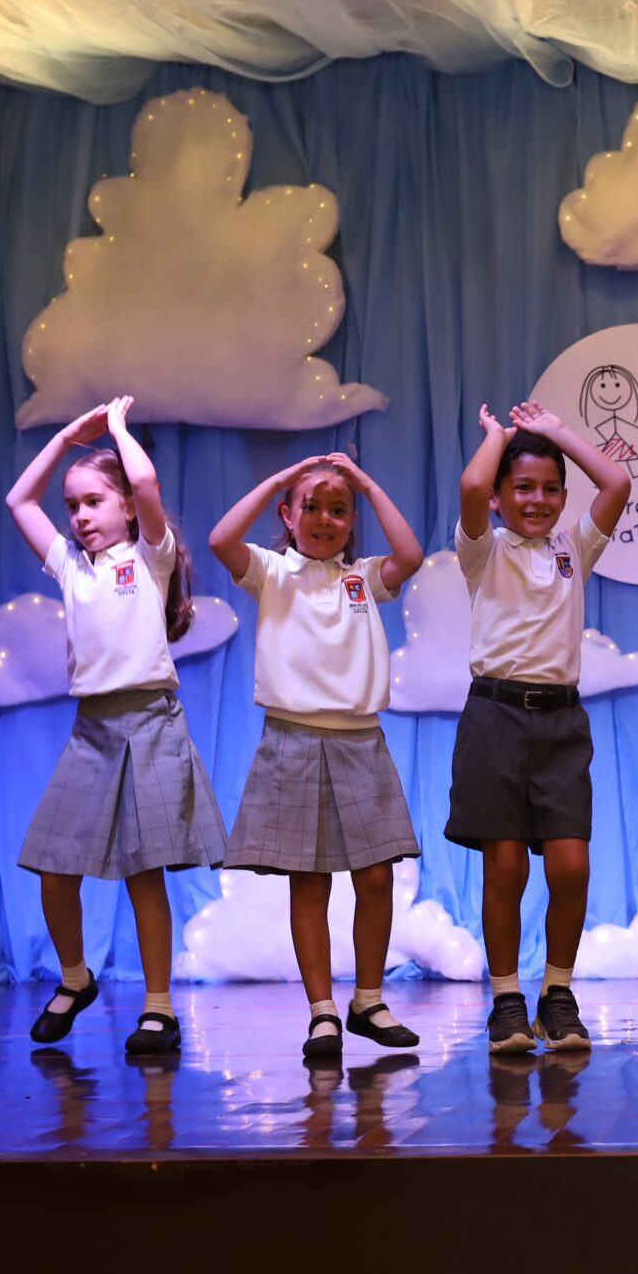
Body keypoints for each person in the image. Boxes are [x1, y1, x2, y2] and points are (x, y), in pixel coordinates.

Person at [6, 398, 225, 1058]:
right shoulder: (71, 567)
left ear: (127, 507)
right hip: (92, 730)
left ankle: (159, 1007)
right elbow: (19, 500)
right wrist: (65, 440)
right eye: (72, 505)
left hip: (151, 724)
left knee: (143, 873)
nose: (79, 516)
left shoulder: (150, 556)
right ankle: (76, 978)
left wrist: (119, 431)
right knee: (53, 867)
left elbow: (148, 483)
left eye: (94, 501)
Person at [209, 450, 427, 1059]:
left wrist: (368, 483)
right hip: (292, 738)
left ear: (352, 521)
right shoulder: (271, 570)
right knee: (309, 881)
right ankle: (322, 1011)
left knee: (376, 875)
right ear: (288, 514)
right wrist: (282, 478)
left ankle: (368, 1000)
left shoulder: (363, 578)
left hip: (360, 740)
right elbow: (221, 539)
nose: (325, 519)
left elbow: (410, 555)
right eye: (311, 507)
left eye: (339, 509)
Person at [450, 400, 631, 1055]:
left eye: (551, 489)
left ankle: (558, 993)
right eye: (523, 487)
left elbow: (617, 484)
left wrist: (558, 433)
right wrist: (498, 436)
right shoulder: (483, 548)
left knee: (571, 866)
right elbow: (472, 484)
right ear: (500, 498)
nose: (538, 500)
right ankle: (506, 1000)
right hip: (494, 717)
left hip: (560, 721)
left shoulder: (573, 547)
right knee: (504, 867)